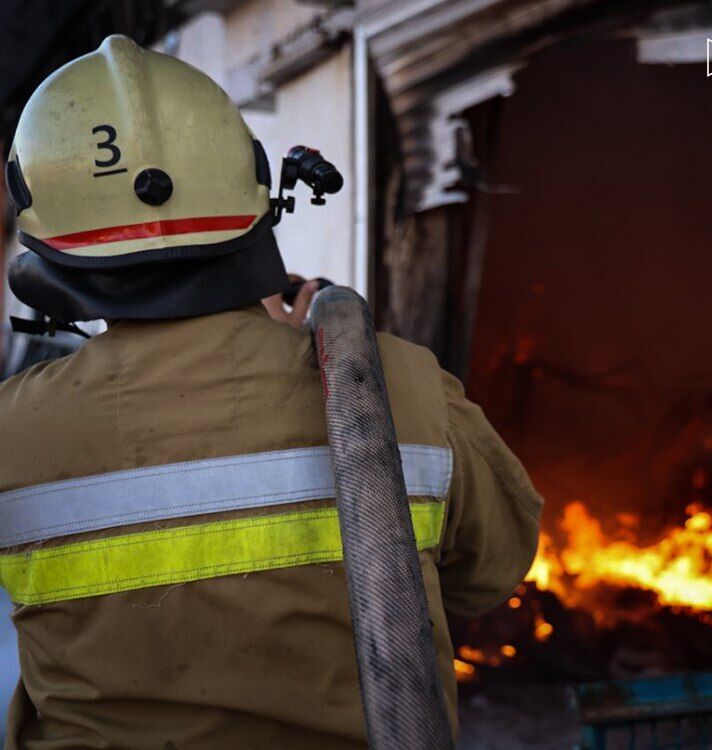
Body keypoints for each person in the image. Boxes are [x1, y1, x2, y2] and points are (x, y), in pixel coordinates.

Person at [0, 35, 541, 749]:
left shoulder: (16, 431)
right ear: (258, 191)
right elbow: (489, 572)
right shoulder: (399, 384)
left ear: (48, 245)